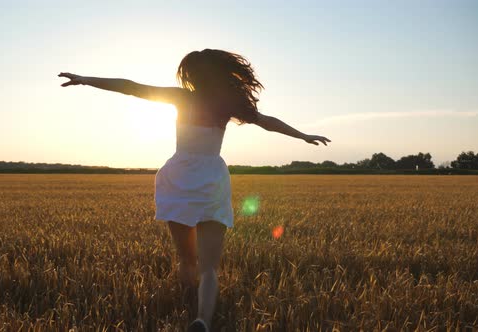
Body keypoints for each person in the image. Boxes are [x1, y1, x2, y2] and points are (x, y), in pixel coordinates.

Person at [58, 48, 330, 332]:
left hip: (178, 177)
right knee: (209, 267)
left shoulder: (181, 97)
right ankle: (203, 319)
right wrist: (303, 135)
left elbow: (131, 88)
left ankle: (190, 304)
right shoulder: (228, 104)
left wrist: (85, 79)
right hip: (211, 179)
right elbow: (267, 122)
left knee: (187, 259)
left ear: (192, 75)